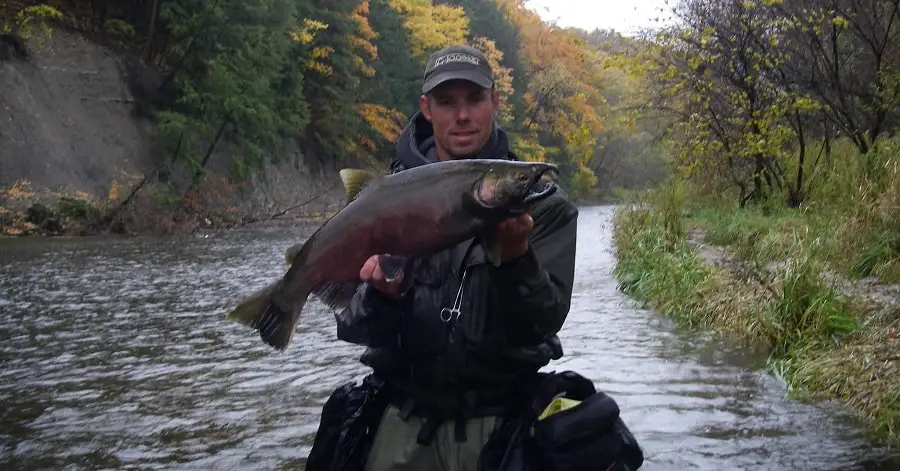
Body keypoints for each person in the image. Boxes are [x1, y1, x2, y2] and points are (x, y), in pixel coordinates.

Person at [311, 44, 579, 470]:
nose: (462, 116)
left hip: (504, 426)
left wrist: (515, 261)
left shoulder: (544, 208)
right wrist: (383, 293)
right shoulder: (384, 201)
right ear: (426, 108)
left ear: (494, 101)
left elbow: (541, 325)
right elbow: (354, 326)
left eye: (474, 99)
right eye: (447, 102)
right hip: (400, 423)